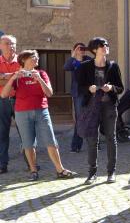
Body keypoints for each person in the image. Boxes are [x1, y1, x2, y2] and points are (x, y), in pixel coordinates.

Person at [0, 50, 75, 180]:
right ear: (24, 60)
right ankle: (33, 171)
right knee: (28, 143)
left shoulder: (42, 73)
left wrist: (39, 79)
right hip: (22, 112)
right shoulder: (17, 75)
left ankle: (60, 170)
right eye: (34, 57)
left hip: (41, 111)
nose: (37, 59)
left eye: (37, 57)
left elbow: (49, 93)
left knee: (50, 140)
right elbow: (3, 95)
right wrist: (12, 78)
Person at [76, 37, 124, 184]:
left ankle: (111, 172)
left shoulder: (113, 66)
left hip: (109, 106)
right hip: (91, 107)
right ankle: (92, 173)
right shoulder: (85, 66)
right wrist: (88, 89)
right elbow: (79, 88)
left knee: (111, 138)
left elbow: (120, 88)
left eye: (107, 45)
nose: (106, 47)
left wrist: (112, 88)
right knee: (92, 139)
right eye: (102, 45)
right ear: (94, 49)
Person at [63, 42, 91, 153]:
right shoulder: (72, 61)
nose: (82, 50)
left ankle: (94, 143)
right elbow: (66, 67)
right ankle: (76, 145)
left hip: (89, 92)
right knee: (80, 119)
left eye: (83, 48)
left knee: (91, 117)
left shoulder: (88, 59)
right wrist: (73, 56)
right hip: (78, 93)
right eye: (79, 48)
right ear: (75, 50)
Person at [0, 34, 20, 175]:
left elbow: (23, 80)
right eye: (7, 43)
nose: (10, 46)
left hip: (20, 100)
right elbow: (16, 78)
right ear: (1, 46)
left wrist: (3, 77)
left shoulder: (22, 61)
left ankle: (31, 163)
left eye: (12, 43)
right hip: (1, 101)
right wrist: (12, 77)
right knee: (2, 134)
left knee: (26, 133)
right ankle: (2, 164)